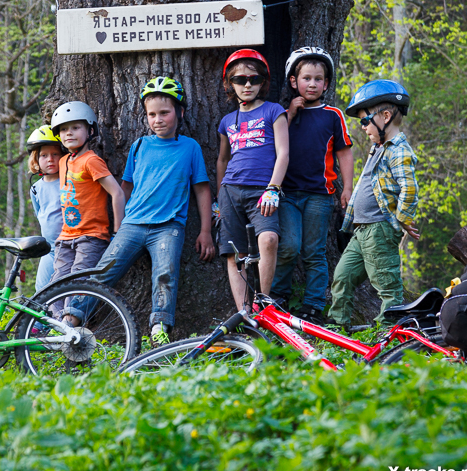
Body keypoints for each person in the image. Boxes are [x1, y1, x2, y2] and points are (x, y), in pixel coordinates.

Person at [92, 77, 215, 346]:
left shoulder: (190, 148)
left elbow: (202, 190)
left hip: (168, 227)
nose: (157, 119)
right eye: (151, 114)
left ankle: (159, 327)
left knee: (165, 274)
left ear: (179, 113)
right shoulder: (139, 147)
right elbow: (125, 189)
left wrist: (206, 231)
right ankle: (72, 318)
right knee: (104, 271)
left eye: (164, 113)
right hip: (133, 225)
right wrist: (119, 227)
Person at [270, 47, 354, 323]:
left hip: (320, 195)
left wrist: (348, 188)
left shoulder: (333, 115)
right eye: (306, 78)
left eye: (319, 79)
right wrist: (291, 113)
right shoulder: (282, 115)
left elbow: (344, 152)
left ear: (326, 84)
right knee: (289, 246)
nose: (313, 84)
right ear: (294, 81)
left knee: (314, 251)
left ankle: (314, 303)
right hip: (288, 194)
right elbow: (273, 145)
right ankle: (278, 296)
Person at [328, 79, 420, 327]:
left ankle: (391, 336)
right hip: (361, 230)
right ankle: (337, 328)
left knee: (387, 285)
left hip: (378, 229)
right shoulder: (377, 148)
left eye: (364, 121)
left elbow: (409, 190)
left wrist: (400, 220)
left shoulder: (398, 150)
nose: (363, 128)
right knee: (342, 277)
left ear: (386, 116)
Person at [216, 49, 289, 312]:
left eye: (254, 79)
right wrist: (218, 199)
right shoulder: (226, 121)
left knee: (268, 239)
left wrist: (273, 189)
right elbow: (222, 160)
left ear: (263, 83)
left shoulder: (274, 110)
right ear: (229, 84)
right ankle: (244, 314)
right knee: (234, 253)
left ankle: (262, 305)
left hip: (263, 189)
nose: (247, 84)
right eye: (240, 79)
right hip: (230, 191)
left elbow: (284, 153)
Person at [48, 101, 125, 324]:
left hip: (90, 237)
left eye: (75, 127)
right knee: (57, 284)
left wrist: (118, 229)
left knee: (79, 284)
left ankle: (70, 329)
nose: (68, 133)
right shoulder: (63, 161)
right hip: (65, 237)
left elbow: (117, 193)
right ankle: (57, 327)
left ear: (90, 130)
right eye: (63, 129)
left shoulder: (91, 160)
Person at [26, 125, 65, 291]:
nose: (50, 159)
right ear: (36, 160)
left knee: (66, 289)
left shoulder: (68, 182)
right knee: (41, 291)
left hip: (70, 247)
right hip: (49, 250)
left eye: (55, 154)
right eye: (44, 155)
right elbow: (40, 214)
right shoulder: (36, 188)